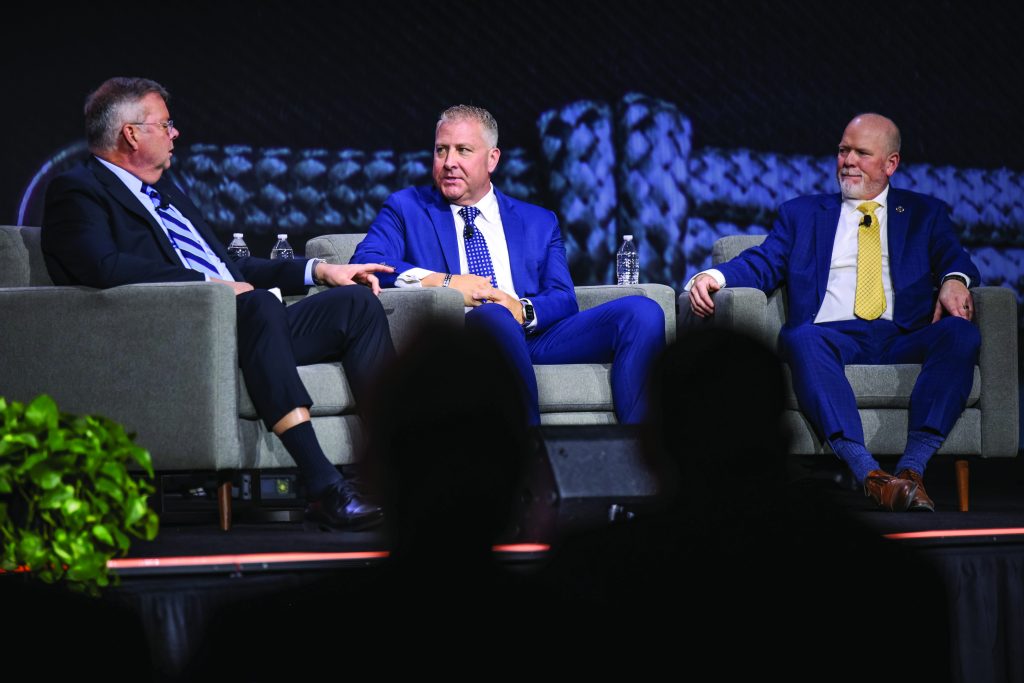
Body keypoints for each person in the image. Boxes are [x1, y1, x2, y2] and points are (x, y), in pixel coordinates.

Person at [41, 77, 394, 530]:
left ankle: (396, 472)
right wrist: (210, 287)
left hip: (245, 323)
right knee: (258, 306)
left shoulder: (167, 193)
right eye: (165, 124)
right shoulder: (78, 190)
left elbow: (231, 267)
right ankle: (324, 486)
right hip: (179, 330)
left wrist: (318, 271)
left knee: (355, 305)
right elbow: (102, 267)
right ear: (131, 134)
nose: (175, 133)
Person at [687, 113, 981, 512]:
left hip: (904, 336)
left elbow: (955, 257)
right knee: (801, 336)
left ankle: (912, 469)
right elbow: (763, 262)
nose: (848, 161)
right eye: (843, 151)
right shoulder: (802, 213)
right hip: (831, 336)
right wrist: (714, 276)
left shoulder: (923, 213)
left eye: (862, 153)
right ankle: (871, 475)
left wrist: (954, 279)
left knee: (961, 333)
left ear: (891, 163)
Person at [353, 105, 665, 424]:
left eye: (463, 150)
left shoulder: (538, 221)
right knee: (493, 314)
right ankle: (530, 446)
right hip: (464, 337)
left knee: (642, 311)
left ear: (492, 159)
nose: (448, 162)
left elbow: (563, 297)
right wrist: (446, 282)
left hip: (534, 336)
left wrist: (522, 310)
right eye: (441, 150)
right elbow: (364, 262)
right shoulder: (407, 208)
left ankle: (639, 443)